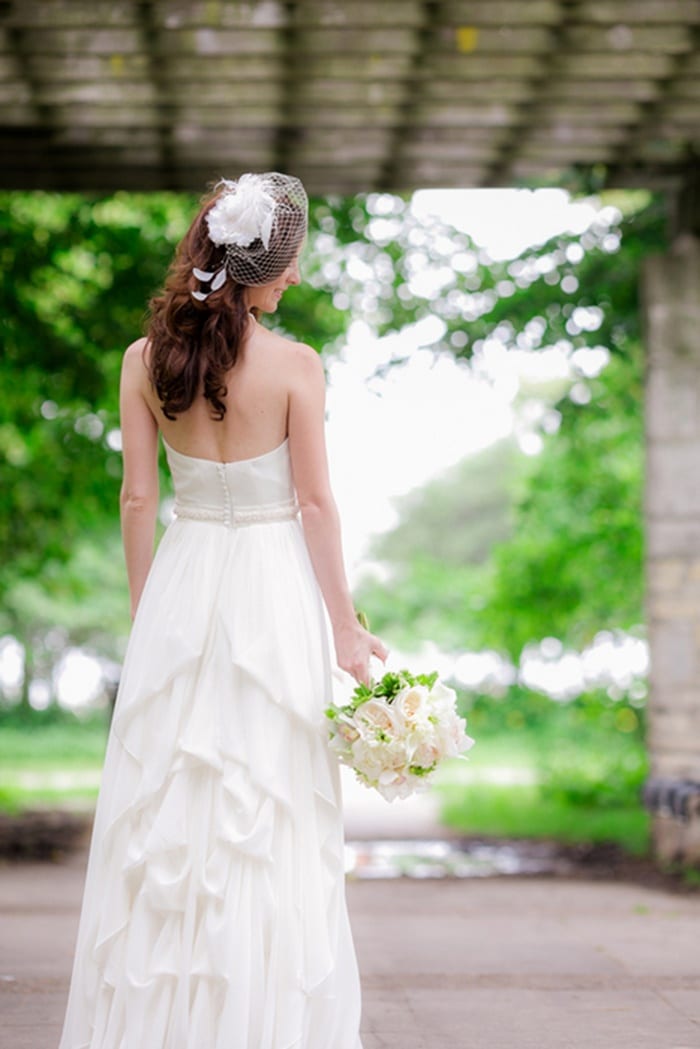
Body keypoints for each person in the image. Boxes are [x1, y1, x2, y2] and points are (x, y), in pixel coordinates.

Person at [58, 172, 387, 1049]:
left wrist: (148, 616)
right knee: (266, 805)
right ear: (262, 271)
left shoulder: (143, 361)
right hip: (270, 592)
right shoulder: (294, 367)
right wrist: (347, 630)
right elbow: (316, 506)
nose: (295, 284)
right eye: (290, 270)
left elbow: (137, 501)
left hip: (183, 579)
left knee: (166, 811)